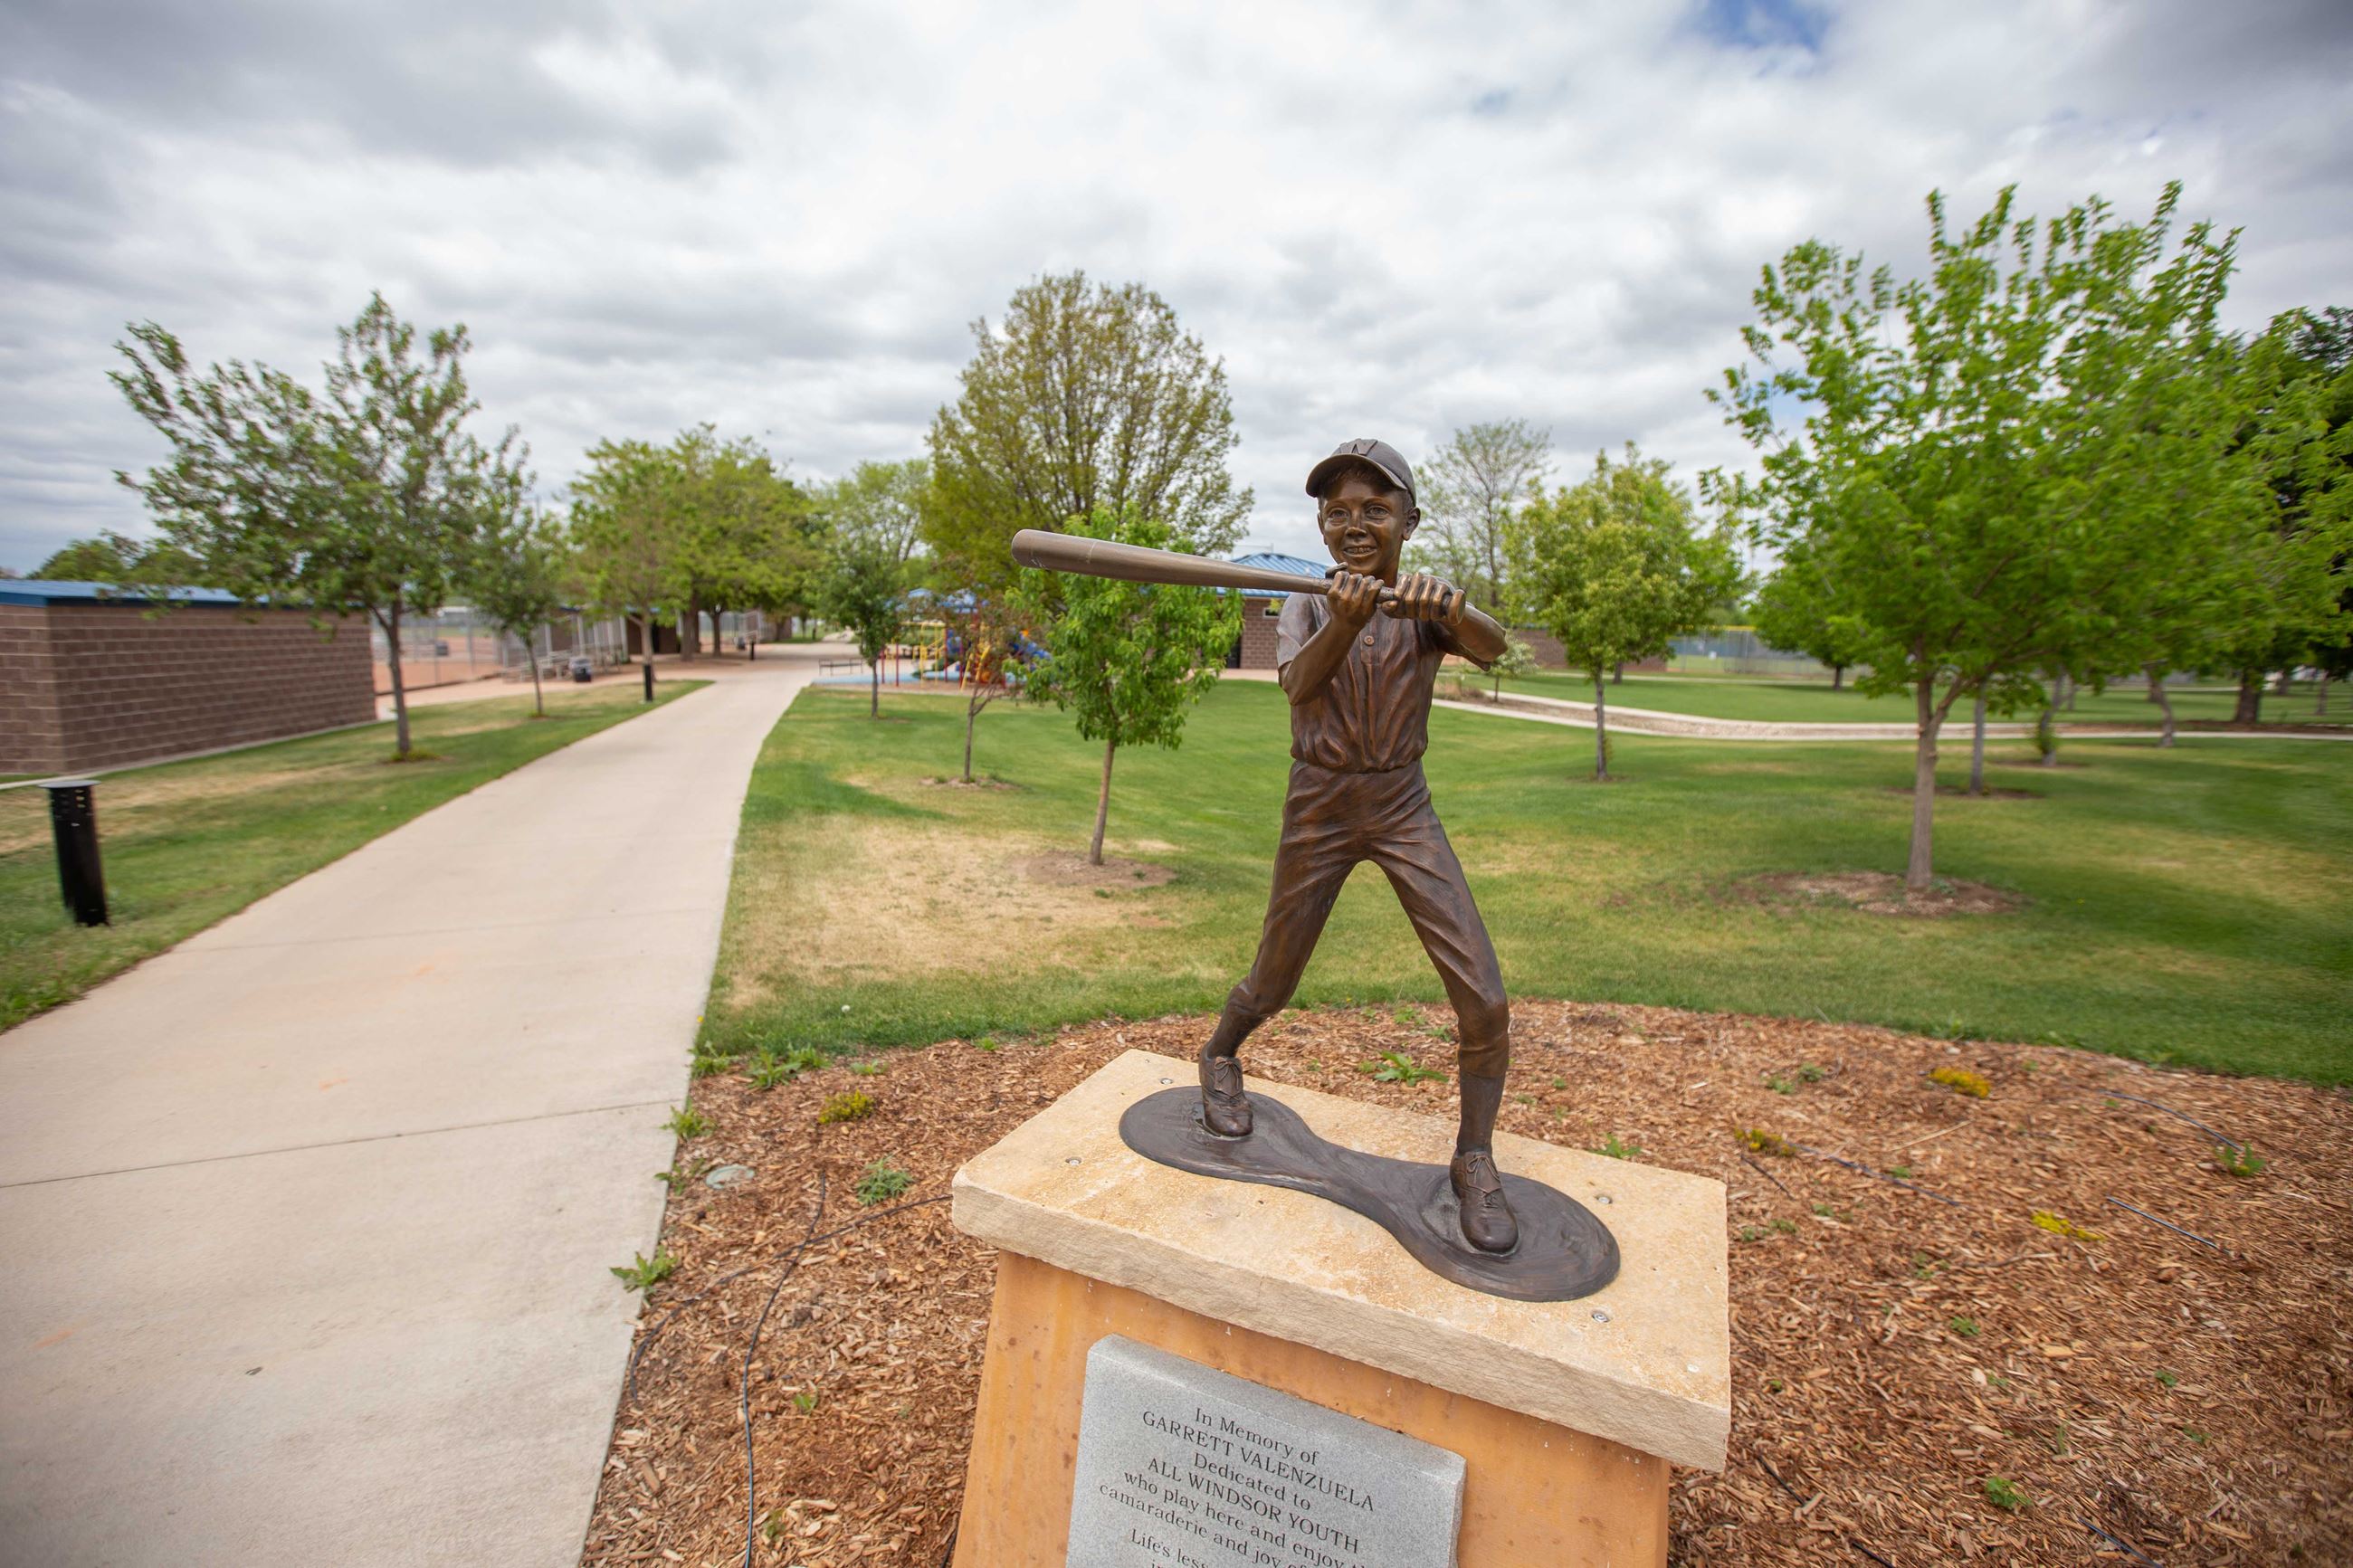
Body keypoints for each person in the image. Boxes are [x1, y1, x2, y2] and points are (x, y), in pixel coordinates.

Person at [1199, 438, 1520, 1252]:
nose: (1354, 525)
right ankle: (1221, 1052)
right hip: (1322, 801)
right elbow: (1297, 683)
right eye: (1337, 511)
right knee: (1275, 975)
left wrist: (1447, 609)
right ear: (1319, 522)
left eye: (1374, 509)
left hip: (1403, 804)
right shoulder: (1308, 598)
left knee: (1483, 997)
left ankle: (1474, 1157)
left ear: (1408, 521)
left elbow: (1495, 645)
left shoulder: (1424, 606)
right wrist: (1343, 623)